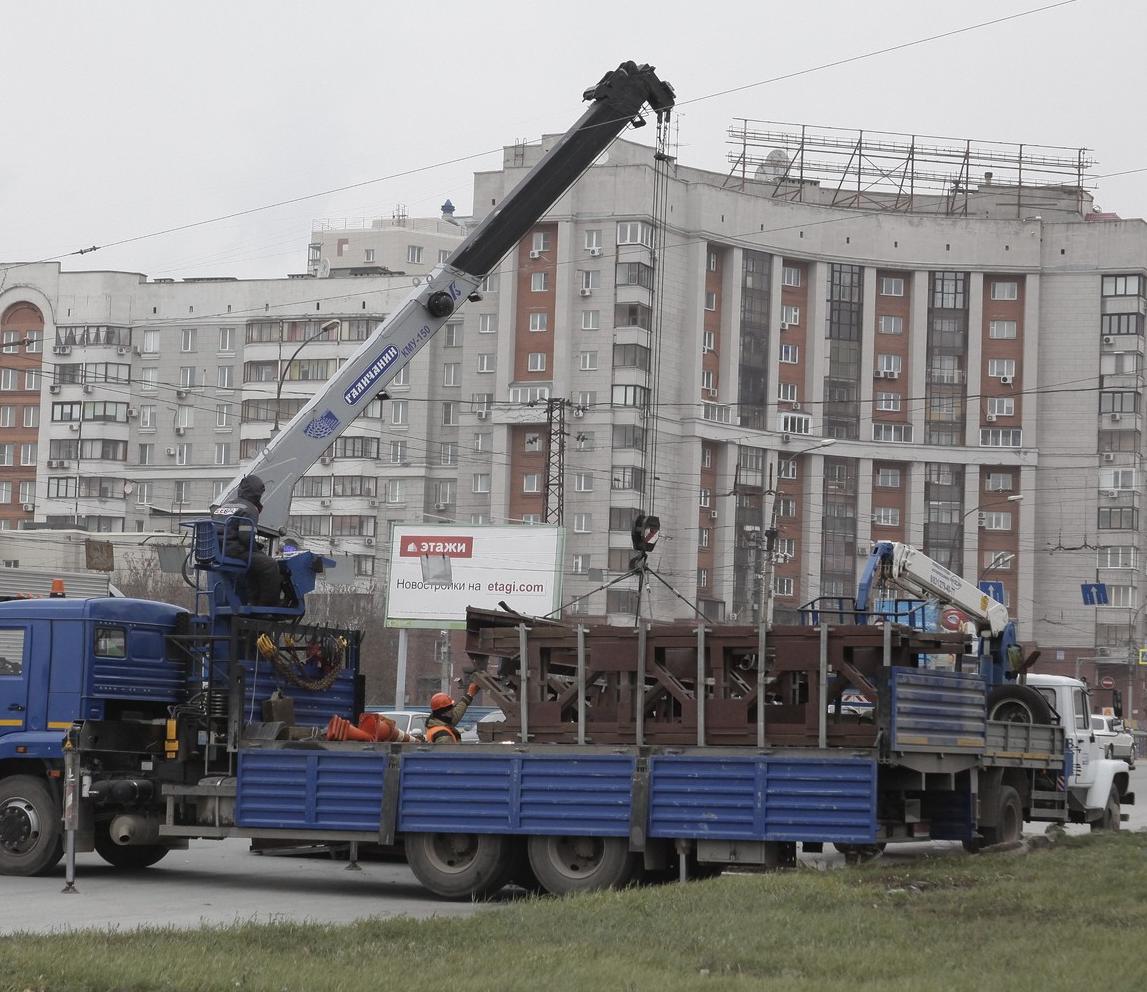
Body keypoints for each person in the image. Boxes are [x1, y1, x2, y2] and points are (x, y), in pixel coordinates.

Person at [211, 475, 282, 607]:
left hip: (217, 549)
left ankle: (252, 599)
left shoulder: (224, 506)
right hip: (232, 550)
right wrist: (256, 549)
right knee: (270, 565)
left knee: (255, 562)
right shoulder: (249, 509)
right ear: (258, 493)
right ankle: (268, 607)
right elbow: (246, 537)